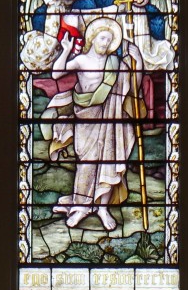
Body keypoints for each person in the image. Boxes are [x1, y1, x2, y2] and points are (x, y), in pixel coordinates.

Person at [41, 17, 145, 230]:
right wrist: (65, 50)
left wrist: (139, 63)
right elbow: (57, 73)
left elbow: (133, 86)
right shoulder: (81, 60)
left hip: (110, 118)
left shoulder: (116, 64)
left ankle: (102, 208)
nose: (105, 43)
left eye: (109, 40)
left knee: (109, 159)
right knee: (86, 162)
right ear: (93, 38)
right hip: (86, 116)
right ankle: (81, 206)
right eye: (102, 38)